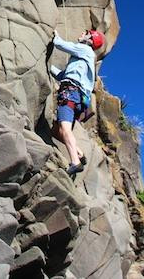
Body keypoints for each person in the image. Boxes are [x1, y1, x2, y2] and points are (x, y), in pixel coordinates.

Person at [50, 29, 103, 177]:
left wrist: (54, 33)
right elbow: (63, 75)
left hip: (70, 93)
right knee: (59, 131)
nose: (81, 34)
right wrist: (49, 67)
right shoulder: (86, 58)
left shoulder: (85, 49)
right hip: (78, 98)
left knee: (65, 129)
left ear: (90, 40)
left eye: (86, 33)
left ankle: (75, 162)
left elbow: (60, 44)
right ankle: (79, 153)